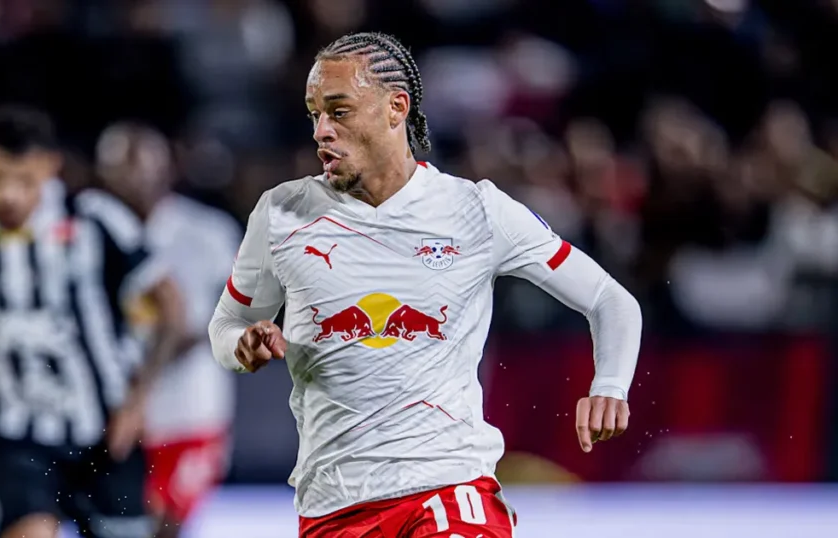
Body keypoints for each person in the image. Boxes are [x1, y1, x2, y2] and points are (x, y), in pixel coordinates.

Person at [208, 32, 642, 538]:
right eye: (314, 114)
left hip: (448, 489)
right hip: (333, 504)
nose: (321, 131)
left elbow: (610, 299)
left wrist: (609, 387)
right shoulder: (282, 213)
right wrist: (241, 345)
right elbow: (228, 322)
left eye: (339, 111)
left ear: (396, 108)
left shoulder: (476, 209)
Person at [0, 106, 187, 538]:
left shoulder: (96, 221)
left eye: (23, 180)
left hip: (104, 429)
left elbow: (171, 308)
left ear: (49, 167)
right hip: (12, 432)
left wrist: (138, 398)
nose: (8, 196)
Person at [96, 121, 240, 537]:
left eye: (142, 165)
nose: (134, 179)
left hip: (187, 411)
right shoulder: (90, 232)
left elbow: (229, 317)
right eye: (121, 168)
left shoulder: (209, 233)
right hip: (112, 416)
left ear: (167, 167)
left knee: (166, 527)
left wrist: (144, 362)